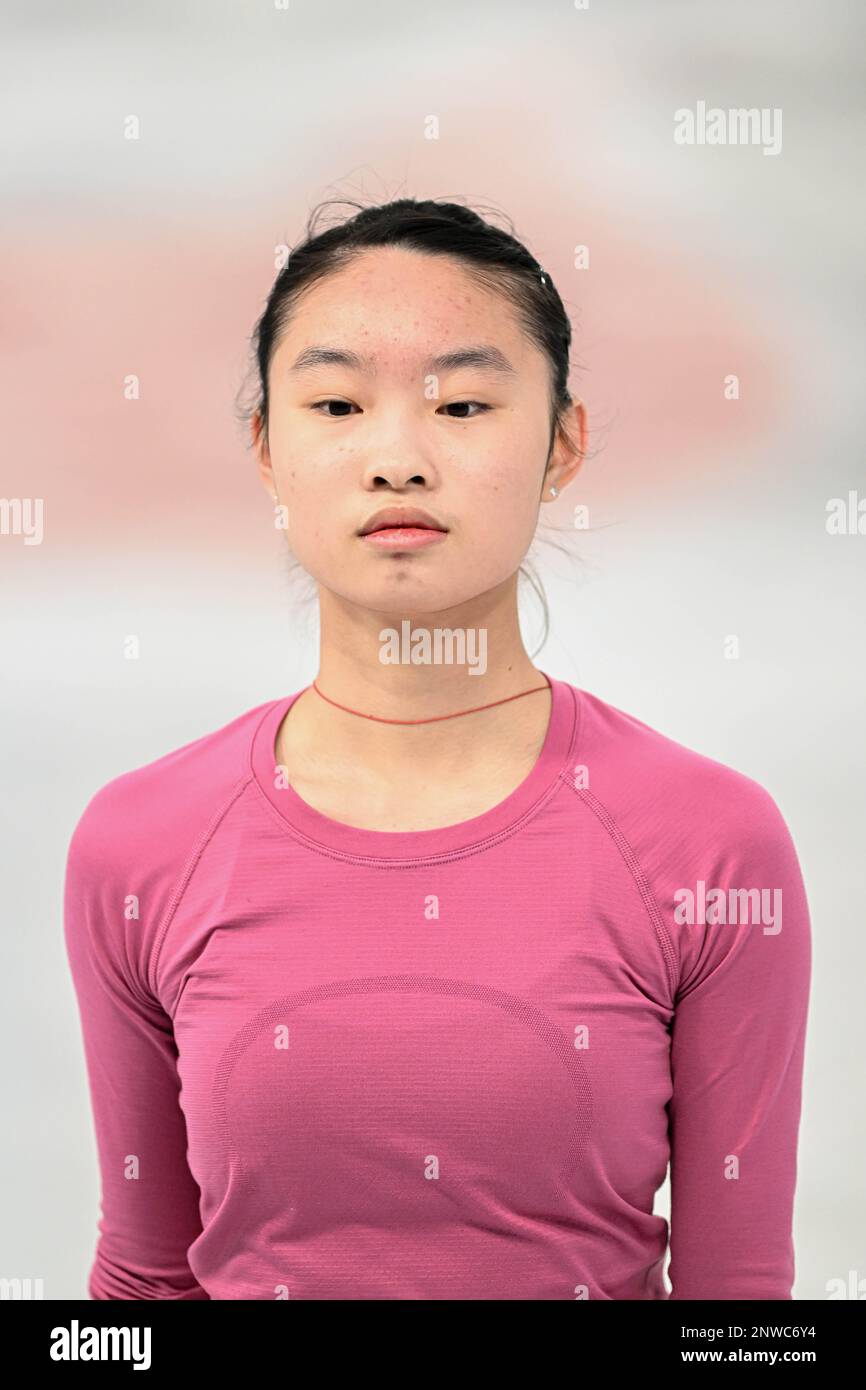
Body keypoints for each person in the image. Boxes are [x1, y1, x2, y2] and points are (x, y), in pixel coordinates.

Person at [63, 197, 811, 1300]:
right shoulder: (139, 844)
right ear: (268, 452)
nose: (397, 457)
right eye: (335, 403)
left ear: (562, 442)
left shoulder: (709, 844)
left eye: (461, 402)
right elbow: (141, 1281)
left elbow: (737, 1305)